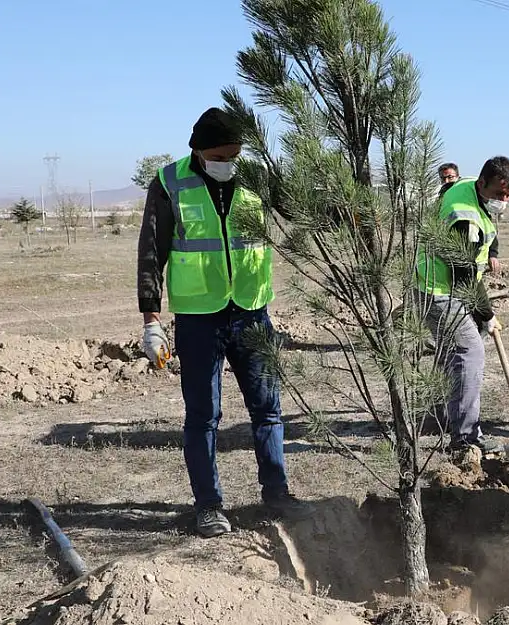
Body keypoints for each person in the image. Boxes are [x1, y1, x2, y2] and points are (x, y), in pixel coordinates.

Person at [136, 107, 312, 538]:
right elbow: (151, 253)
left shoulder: (256, 176)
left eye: (235, 154)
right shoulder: (169, 182)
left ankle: (276, 492)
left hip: (252, 310)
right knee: (203, 416)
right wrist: (151, 319)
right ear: (198, 149)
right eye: (220, 155)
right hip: (199, 318)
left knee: (268, 410)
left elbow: (301, 210)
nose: (228, 162)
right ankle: (209, 506)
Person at [414, 156, 509, 454]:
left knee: (453, 354)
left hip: (434, 283)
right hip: (438, 289)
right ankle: (466, 439)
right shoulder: (465, 217)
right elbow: (465, 280)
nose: (504, 200)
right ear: (483, 182)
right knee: (469, 350)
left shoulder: (467, 189)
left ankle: (442, 416)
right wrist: (487, 315)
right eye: (500, 194)